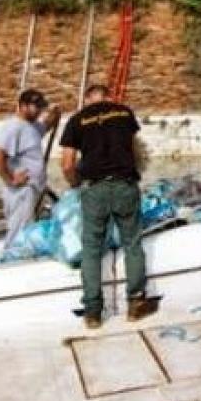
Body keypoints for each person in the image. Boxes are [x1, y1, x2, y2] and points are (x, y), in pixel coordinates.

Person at [59, 83, 152, 328]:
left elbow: (67, 163)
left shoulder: (77, 120)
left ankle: (92, 313)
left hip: (94, 189)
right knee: (132, 243)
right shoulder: (124, 113)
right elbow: (133, 149)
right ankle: (135, 303)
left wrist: (75, 183)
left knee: (91, 248)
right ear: (108, 97)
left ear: (88, 99)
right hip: (124, 184)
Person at [0, 89, 58, 250]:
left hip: (34, 188)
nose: (39, 111)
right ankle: (11, 261)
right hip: (21, 190)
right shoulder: (14, 127)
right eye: (36, 107)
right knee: (18, 231)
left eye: (41, 107)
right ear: (23, 106)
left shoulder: (32, 126)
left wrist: (54, 115)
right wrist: (10, 179)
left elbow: (45, 127)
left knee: (28, 229)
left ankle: (23, 254)